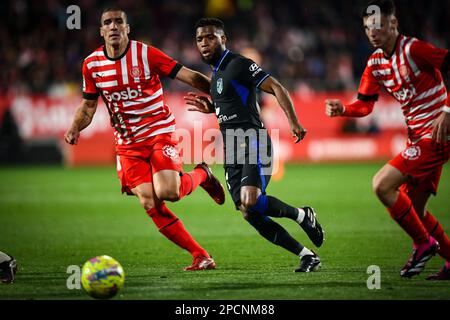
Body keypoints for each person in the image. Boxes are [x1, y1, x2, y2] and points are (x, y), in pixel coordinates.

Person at [64, 8, 226, 271]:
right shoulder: (91, 64)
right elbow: (88, 106)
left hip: (158, 132)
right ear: (101, 31)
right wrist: (74, 127)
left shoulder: (146, 54)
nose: (114, 26)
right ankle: (200, 255)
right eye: (108, 22)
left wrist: (223, 93)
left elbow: (189, 76)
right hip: (127, 143)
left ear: (127, 29)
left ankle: (202, 174)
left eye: (119, 22)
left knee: (169, 192)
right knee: (150, 202)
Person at [185, 18, 324, 272]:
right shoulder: (216, 75)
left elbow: (277, 87)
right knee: (248, 212)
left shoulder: (238, 64)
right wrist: (213, 109)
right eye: (199, 39)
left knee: (250, 199)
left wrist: (293, 121)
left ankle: (303, 215)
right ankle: (307, 255)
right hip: (232, 147)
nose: (204, 43)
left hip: (253, 141)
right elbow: (232, 108)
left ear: (222, 39)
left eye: (210, 37)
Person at [325, 0, 450, 279]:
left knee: (382, 184)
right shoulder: (375, 64)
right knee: (415, 209)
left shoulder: (415, 49)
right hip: (418, 138)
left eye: (378, 25)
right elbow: (365, 104)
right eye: (367, 27)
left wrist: (447, 110)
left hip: (438, 134)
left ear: (394, 24)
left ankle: (423, 244)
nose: (372, 31)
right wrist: (344, 109)